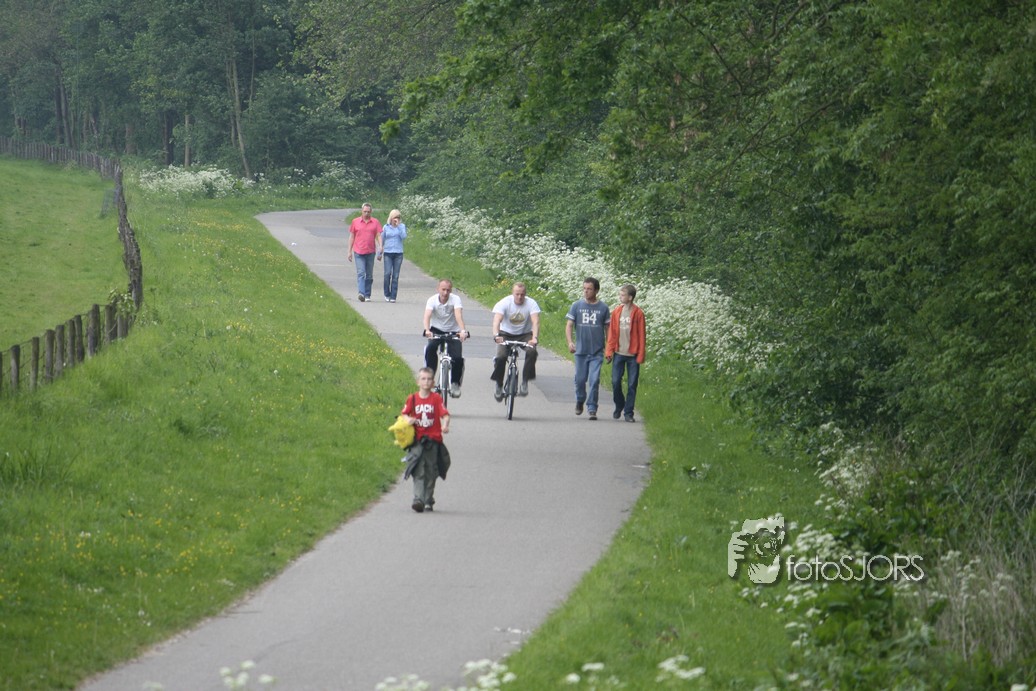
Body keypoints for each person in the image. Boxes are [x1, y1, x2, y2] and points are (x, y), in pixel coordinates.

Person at [400, 368, 451, 513]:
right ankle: (418, 499)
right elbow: (404, 414)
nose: (426, 382)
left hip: (433, 441)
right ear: (418, 381)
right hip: (417, 441)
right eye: (423, 379)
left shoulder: (436, 399)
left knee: (430, 471)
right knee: (418, 470)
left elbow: (445, 415)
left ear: (433, 383)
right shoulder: (412, 399)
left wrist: (445, 425)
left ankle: (428, 499)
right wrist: (408, 419)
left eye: (429, 379)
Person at [565, 277, 610, 420]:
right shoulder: (577, 305)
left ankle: (592, 408)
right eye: (584, 288)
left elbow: (608, 329)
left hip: (597, 351)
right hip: (580, 351)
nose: (586, 291)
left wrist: (609, 347)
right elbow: (569, 325)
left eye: (589, 289)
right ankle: (580, 400)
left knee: (594, 380)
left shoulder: (603, 308)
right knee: (580, 379)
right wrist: (570, 342)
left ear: (596, 290)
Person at [491, 282, 540, 400]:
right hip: (505, 334)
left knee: (532, 352)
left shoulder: (531, 303)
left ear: (525, 294)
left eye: (522, 294)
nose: (519, 297)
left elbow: (535, 322)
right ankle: (499, 384)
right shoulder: (504, 303)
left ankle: (525, 382)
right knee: (501, 356)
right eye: (517, 294)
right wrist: (496, 335)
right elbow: (497, 321)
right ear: (512, 293)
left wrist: (534, 338)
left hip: (524, 334)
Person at [605, 284, 646, 422]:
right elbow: (612, 333)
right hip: (618, 353)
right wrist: (609, 351)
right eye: (620, 294)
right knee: (615, 382)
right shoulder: (617, 311)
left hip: (633, 355)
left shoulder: (638, 313)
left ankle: (629, 413)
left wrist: (641, 354)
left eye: (623, 295)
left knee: (632, 385)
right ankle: (619, 405)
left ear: (630, 297)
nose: (620, 297)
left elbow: (642, 335)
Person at [422, 279, 469, 397]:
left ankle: (455, 384)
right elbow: (427, 316)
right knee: (431, 348)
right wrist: (427, 330)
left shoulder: (456, 299)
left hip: (453, 331)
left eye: (448, 290)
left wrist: (462, 331)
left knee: (457, 357)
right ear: (438, 289)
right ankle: (430, 378)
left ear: (451, 290)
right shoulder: (432, 300)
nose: (445, 293)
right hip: (436, 329)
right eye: (443, 289)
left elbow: (458, 315)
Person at [347, 203, 383, 302]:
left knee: (369, 275)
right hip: (358, 251)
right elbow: (352, 236)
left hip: (370, 252)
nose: (366, 213)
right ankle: (361, 293)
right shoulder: (355, 221)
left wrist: (380, 246)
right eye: (365, 211)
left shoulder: (375, 222)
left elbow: (378, 235)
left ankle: (367, 294)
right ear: (361, 211)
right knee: (361, 273)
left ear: (371, 212)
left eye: (368, 212)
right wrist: (349, 251)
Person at [381, 209, 407, 302]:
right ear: (391, 218)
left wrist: (398, 226)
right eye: (395, 217)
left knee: (395, 276)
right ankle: (386, 293)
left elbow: (404, 236)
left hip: (398, 253)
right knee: (387, 274)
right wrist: (379, 252)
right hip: (388, 253)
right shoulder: (386, 227)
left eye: (398, 217)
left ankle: (393, 296)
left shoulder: (402, 226)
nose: (397, 219)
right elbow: (382, 239)